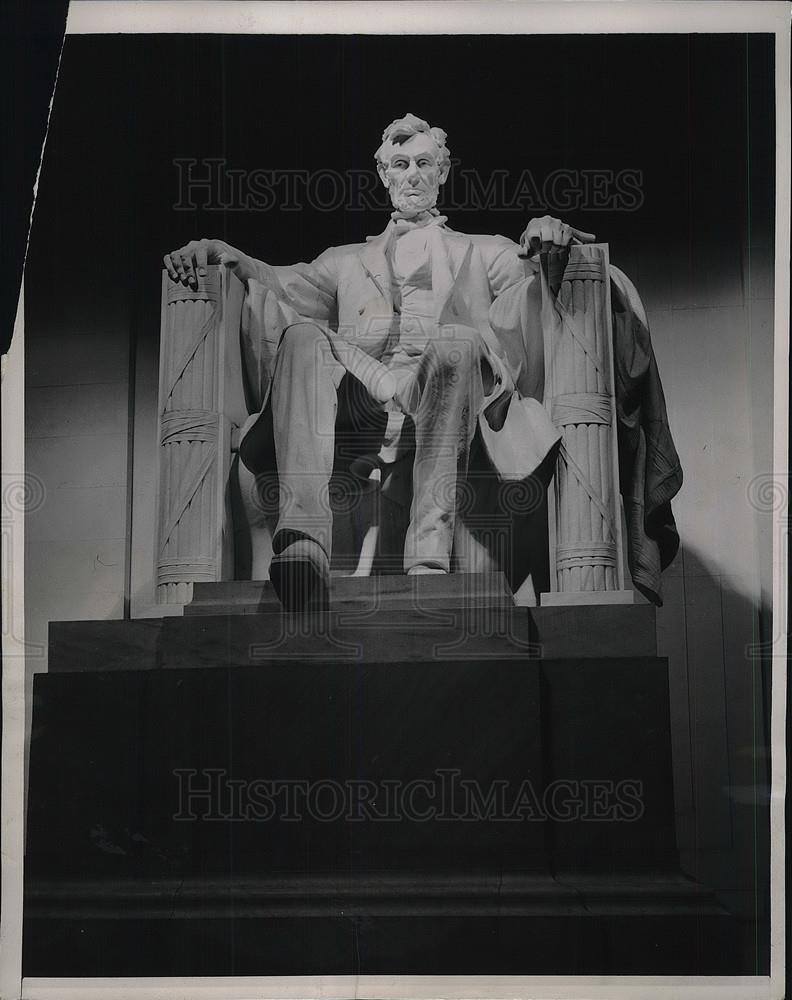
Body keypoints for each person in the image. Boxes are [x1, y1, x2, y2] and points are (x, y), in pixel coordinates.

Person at [165, 113, 681, 610]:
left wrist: (550, 243)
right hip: (365, 397)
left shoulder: (484, 251)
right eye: (400, 164)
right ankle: (304, 543)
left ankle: (429, 556)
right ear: (383, 176)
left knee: (456, 341)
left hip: (447, 388)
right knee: (301, 336)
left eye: (423, 163)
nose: (412, 174)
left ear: (443, 173)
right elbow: (279, 283)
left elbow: (534, 292)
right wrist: (224, 252)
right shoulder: (343, 260)